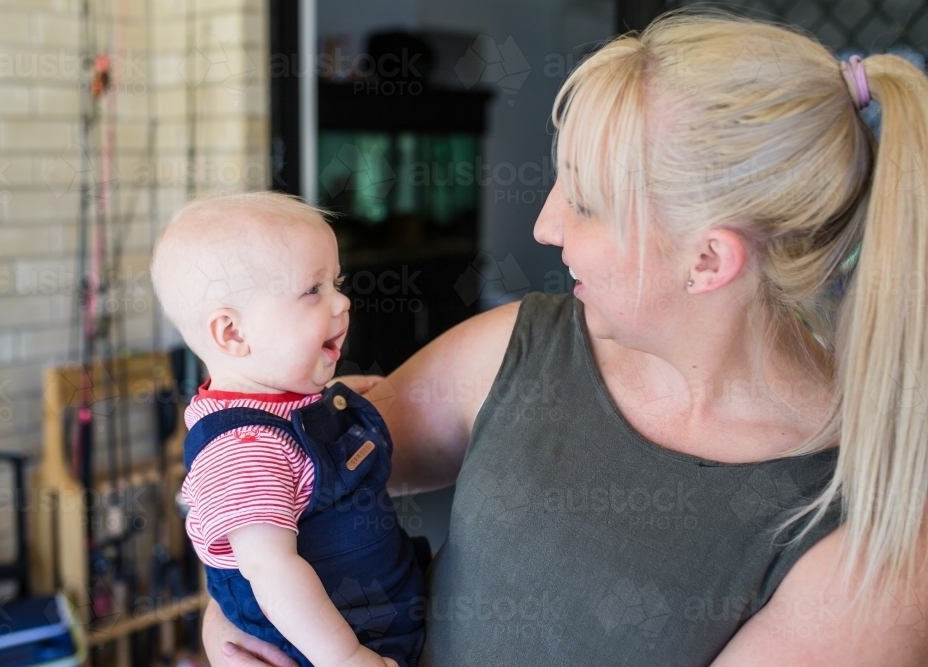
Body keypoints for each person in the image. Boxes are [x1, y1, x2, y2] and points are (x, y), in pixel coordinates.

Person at [201, 10, 928, 666]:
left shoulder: (866, 537)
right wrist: (234, 610)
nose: (546, 226)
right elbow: (277, 477)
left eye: (583, 202)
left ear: (708, 260)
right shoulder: (522, 344)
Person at [150, 192, 426, 667]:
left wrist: (334, 393)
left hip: (385, 611)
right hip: (327, 648)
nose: (342, 301)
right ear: (233, 333)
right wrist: (344, 658)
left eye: (335, 282)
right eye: (312, 290)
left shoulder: (278, 401)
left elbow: (296, 424)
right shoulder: (242, 451)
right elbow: (272, 572)